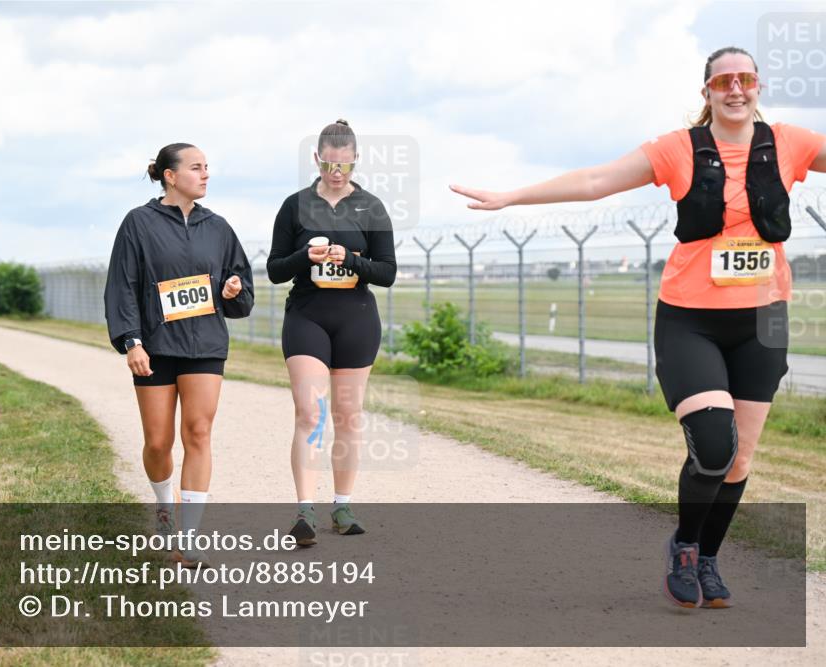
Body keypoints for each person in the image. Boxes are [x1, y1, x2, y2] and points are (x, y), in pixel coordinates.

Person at [451, 46, 826, 609]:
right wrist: (512, 197)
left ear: (758, 86)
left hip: (763, 321)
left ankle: (710, 559)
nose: (735, 89)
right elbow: (596, 180)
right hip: (690, 320)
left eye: (745, 78)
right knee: (715, 446)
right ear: (707, 92)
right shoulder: (678, 149)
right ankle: (683, 545)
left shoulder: (789, 142)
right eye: (723, 80)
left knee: (741, 459)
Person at [104, 142, 254, 567]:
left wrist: (232, 290)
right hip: (155, 346)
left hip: (205, 344)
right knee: (158, 442)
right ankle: (164, 504)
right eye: (196, 168)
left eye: (207, 168)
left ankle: (188, 539)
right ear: (170, 176)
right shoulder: (138, 223)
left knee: (199, 433)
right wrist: (131, 340)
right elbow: (123, 285)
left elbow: (241, 287)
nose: (205, 175)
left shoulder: (219, 227)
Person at [267, 119, 397, 546]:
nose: (335, 172)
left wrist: (352, 259)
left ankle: (342, 505)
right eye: (327, 164)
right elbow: (274, 270)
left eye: (343, 165)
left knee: (347, 416)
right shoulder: (295, 205)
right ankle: (305, 511)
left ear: (356, 160)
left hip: (357, 317)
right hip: (307, 315)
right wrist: (306, 256)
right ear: (316, 159)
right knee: (310, 412)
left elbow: (387, 273)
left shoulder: (372, 208)